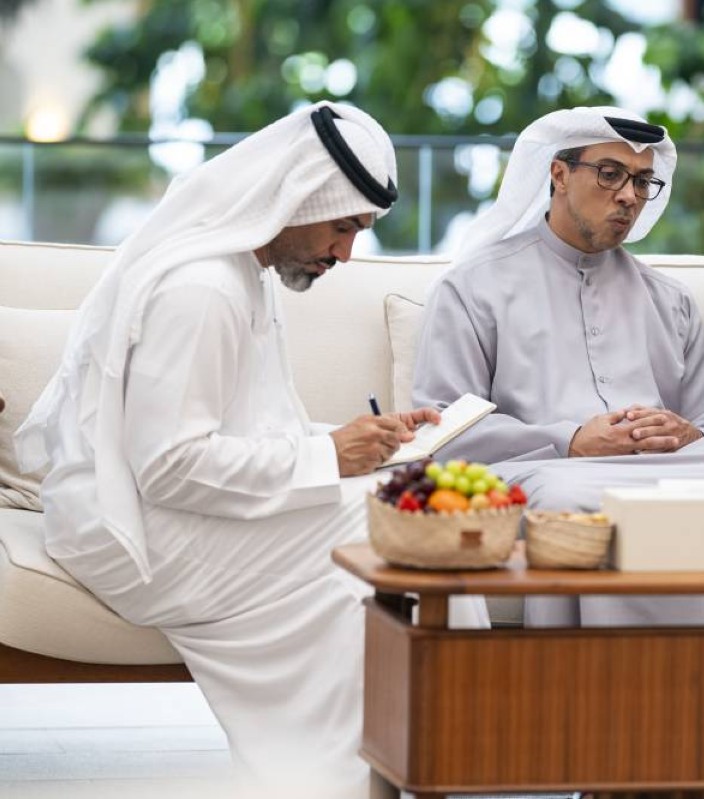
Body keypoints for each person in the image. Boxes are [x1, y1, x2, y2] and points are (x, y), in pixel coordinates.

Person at [15, 102, 487, 799]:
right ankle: (376, 772)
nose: (345, 253)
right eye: (343, 226)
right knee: (399, 523)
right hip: (133, 533)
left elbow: (247, 429)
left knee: (406, 505)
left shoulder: (244, 273)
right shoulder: (203, 290)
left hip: (165, 511)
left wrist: (369, 441)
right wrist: (331, 459)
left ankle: (409, 762)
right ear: (295, 199)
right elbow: (168, 465)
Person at [413, 106, 704, 628]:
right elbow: (444, 429)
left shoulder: (669, 298)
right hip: (548, 470)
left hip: (671, 471)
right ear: (558, 174)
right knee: (571, 501)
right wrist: (570, 439)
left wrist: (687, 433)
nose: (629, 197)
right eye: (611, 174)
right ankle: (608, 692)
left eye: (642, 181)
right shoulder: (474, 286)